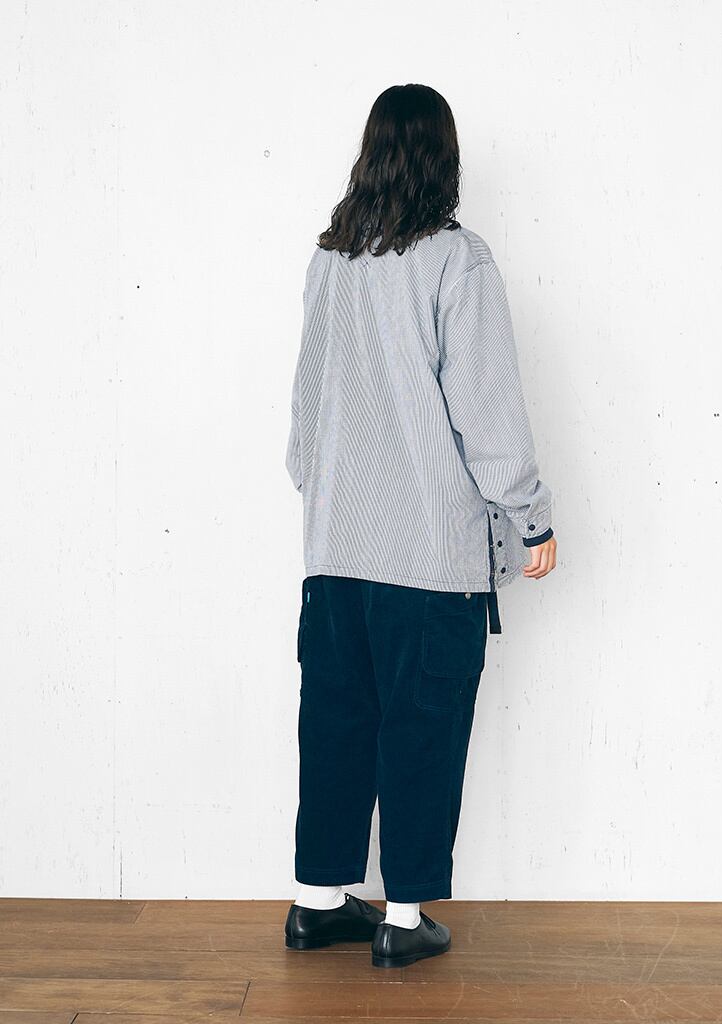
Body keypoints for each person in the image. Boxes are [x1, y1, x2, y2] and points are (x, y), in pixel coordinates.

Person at [283, 83, 557, 969]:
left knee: (334, 721)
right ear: (445, 157)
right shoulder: (456, 260)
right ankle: (403, 919)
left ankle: (317, 903)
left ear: (369, 154)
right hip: (428, 558)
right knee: (420, 728)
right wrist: (530, 519)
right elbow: (489, 409)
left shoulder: (330, 262)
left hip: (334, 551)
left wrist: (330, 498)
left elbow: (304, 416)